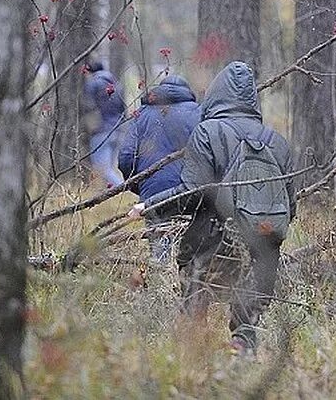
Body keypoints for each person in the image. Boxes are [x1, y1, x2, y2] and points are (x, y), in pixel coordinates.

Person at [130, 61, 294, 354]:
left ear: (217, 94)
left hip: (213, 244)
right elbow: (289, 207)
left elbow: (193, 193)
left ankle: (194, 364)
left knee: (194, 311)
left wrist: (149, 206)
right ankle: (242, 353)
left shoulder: (208, 133)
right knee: (246, 325)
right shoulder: (277, 141)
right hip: (264, 249)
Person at [118, 75, 200, 260]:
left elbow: (126, 157)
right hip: (190, 190)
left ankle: (161, 284)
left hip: (153, 193)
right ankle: (187, 284)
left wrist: (140, 186)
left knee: (160, 251)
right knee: (190, 250)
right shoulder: (199, 113)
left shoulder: (143, 114)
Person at [82, 61, 125, 187]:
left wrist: (91, 126)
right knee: (110, 169)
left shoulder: (92, 83)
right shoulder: (116, 84)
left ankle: (125, 189)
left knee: (103, 169)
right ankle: (113, 199)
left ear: (89, 72)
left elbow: (88, 106)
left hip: (101, 131)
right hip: (117, 129)